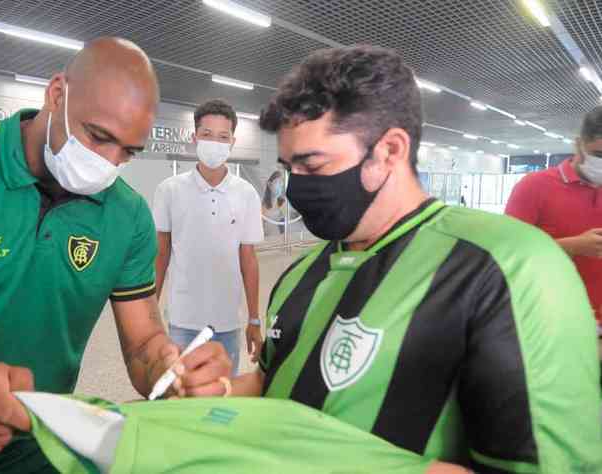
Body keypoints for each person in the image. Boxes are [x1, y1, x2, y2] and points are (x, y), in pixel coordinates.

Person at [0, 37, 231, 474]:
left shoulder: (129, 217)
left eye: (127, 151)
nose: (107, 162)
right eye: (98, 136)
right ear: (57, 93)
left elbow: (144, 343)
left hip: (43, 450)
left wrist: (172, 372)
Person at [211, 45, 602, 472]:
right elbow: (270, 383)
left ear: (390, 151)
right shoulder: (299, 275)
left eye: (312, 164)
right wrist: (220, 392)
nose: (295, 187)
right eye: (290, 169)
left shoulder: (506, 269)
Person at [154, 99, 264, 375]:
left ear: (232, 141)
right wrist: (150, 316)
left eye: (222, 137)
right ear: (194, 138)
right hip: (182, 320)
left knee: (222, 398)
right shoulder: (169, 190)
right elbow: (161, 254)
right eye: (207, 135)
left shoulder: (246, 193)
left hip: (227, 322)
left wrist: (253, 319)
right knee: (180, 394)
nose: (214, 142)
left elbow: (248, 259)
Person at [506, 106, 602, 334]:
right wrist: (570, 246)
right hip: (550, 321)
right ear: (578, 144)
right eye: (599, 154)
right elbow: (506, 254)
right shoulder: (534, 187)